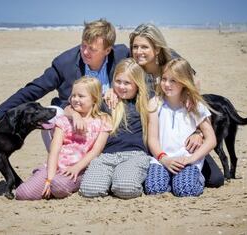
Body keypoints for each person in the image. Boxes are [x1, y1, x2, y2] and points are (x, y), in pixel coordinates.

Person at [0, 19, 128, 148]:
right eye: (83, 45)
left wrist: (116, 89)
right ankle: (59, 160)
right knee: (52, 114)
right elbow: (32, 90)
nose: (85, 52)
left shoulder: (122, 55)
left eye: (92, 49)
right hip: (78, 123)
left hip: (112, 123)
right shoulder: (64, 63)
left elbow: (145, 73)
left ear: (107, 50)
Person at [128, 23, 224, 188]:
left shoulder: (171, 69)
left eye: (144, 47)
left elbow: (194, 95)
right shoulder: (133, 72)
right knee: (155, 184)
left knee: (215, 179)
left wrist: (198, 132)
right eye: (135, 47)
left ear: (156, 49)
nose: (138, 52)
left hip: (184, 141)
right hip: (157, 140)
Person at [15, 77, 112, 200]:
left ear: (94, 99)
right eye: (73, 95)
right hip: (55, 166)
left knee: (59, 186)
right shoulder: (64, 120)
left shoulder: (103, 120)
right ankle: (43, 179)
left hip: (79, 169)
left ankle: (66, 183)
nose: (75, 99)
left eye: (81, 96)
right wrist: (49, 178)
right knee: (23, 193)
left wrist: (77, 168)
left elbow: (95, 151)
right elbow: (54, 150)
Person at [79, 58, 151, 199]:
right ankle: (112, 179)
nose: (122, 87)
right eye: (118, 82)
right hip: (106, 156)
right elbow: (73, 106)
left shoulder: (144, 102)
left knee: (126, 189)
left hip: (134, 155)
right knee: (89, 191)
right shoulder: (106, 101)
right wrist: (75, 116)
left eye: (127, 83)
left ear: (137, 84)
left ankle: (122, 178)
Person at [144, 58, 216, 197]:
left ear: (184, 81)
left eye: (173, 80)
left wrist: (191, 159)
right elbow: (152, 139)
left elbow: (211, 139)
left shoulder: (195, 106)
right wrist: (163, 158)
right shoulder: (154, 104)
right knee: (154, 189)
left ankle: (196, 179)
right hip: (161, 160)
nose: (167, 84)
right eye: (164, 79)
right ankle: (171, 180)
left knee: (185, 190)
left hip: (186, 161)